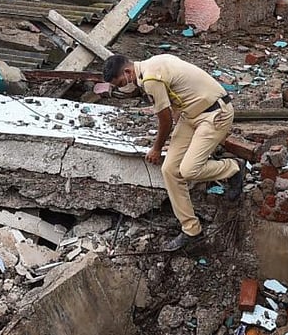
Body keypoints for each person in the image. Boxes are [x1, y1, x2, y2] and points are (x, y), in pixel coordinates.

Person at [103, 53, 246, 252]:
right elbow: (179, 94)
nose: (123, 87)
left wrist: (157, 147)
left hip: (215, 113)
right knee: (169, 169)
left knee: (188, 170)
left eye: (120, 83)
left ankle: (233, 168)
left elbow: (165, 120)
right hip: (191, 114)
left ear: (127, 72)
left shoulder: (151, 78)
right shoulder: (152, 62)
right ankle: (191, 230)